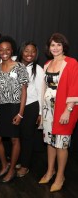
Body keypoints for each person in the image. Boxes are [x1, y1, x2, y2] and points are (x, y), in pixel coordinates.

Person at [39, 33, 78, 192]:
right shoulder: (47, 64)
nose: (55, 48)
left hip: (64, 109)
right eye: (52, 45)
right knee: (50, 141)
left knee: (61, 144)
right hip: (48, 110)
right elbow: (44, 88)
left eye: (58, 45)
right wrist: (42, 111)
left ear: (64, 47)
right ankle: (50, 171)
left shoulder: (72, 63)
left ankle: (60, 175)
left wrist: (67, 111)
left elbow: (75, 86)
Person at [0, 36, 29, 183]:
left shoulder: (20, 67)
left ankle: (13, 169)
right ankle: (4, 164)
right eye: (1, 49)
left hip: (14, 106)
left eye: (7, 49)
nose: (4, 52)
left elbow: (24, 91)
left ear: (12, 50)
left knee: (14, 139)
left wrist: (20, 113)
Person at [16, 41, 44, 177]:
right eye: (26, 51)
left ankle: (25, 165)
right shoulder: (14, 64)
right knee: (17, 136)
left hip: (30, 106)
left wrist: (40, 113)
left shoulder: (37, 70)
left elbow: (41, 93)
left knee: (27, 137)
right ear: (21, 51)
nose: (29, 54)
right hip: (15, 106)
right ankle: (19, 159)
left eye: (33, 51)